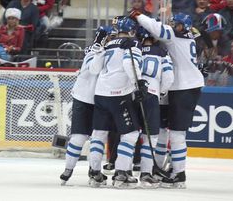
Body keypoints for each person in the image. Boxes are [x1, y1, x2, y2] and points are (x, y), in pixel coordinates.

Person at [130, 11, 204, 188]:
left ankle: (179, 174)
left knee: (177, 134)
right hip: (184, 87)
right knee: (166, 130)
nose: (171, 25)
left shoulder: (172, 36)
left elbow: (157, 28)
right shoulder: (187, 37)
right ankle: (167, 169)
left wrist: (138, 15)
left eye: (175, 23)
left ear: (182, 26)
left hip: (184, 87)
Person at [88, 16, 146, 188]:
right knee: (130, 134)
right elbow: (130, 64)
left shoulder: (108, 44)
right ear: (132, 30)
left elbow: (94, 69)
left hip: (100, 93)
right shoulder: (133, 44)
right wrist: (139, 84)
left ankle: (94, 173)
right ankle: (121, 174)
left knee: (99, 134)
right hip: (119, 94)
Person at [59, 25, 111, 185]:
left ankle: (68, 170)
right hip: (97, 98)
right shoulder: (100, 50)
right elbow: (95, 70)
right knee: (96, 136)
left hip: (82, 96)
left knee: (81, 136)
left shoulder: (93, 48)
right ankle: (94, 171)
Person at [136, 27, 174, 188]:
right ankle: (145, 173)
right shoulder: (161, 52)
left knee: (129, 135)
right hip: (151, 94)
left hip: (132, 94)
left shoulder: (134, 49)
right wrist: (162, 91)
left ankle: (121, 172)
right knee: (150, 136)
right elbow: (169, 77)